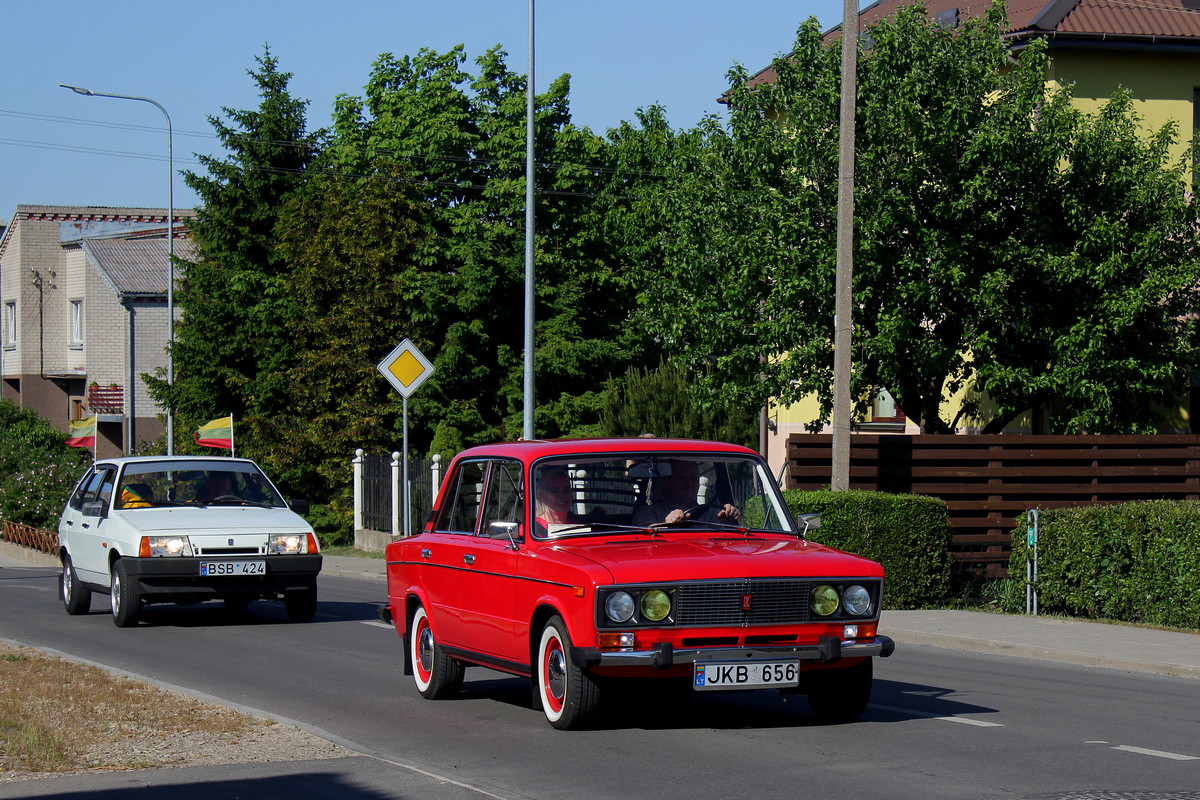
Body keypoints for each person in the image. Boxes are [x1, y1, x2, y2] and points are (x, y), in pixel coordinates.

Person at [632, 459, 741, 526]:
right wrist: (666, 526)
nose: (689, 482)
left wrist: (729, 521)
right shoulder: (649, 512)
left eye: (694, 478)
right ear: (667, 481)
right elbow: (644, 538)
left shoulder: (712, 514)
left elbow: (728, 545)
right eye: (681, 477)